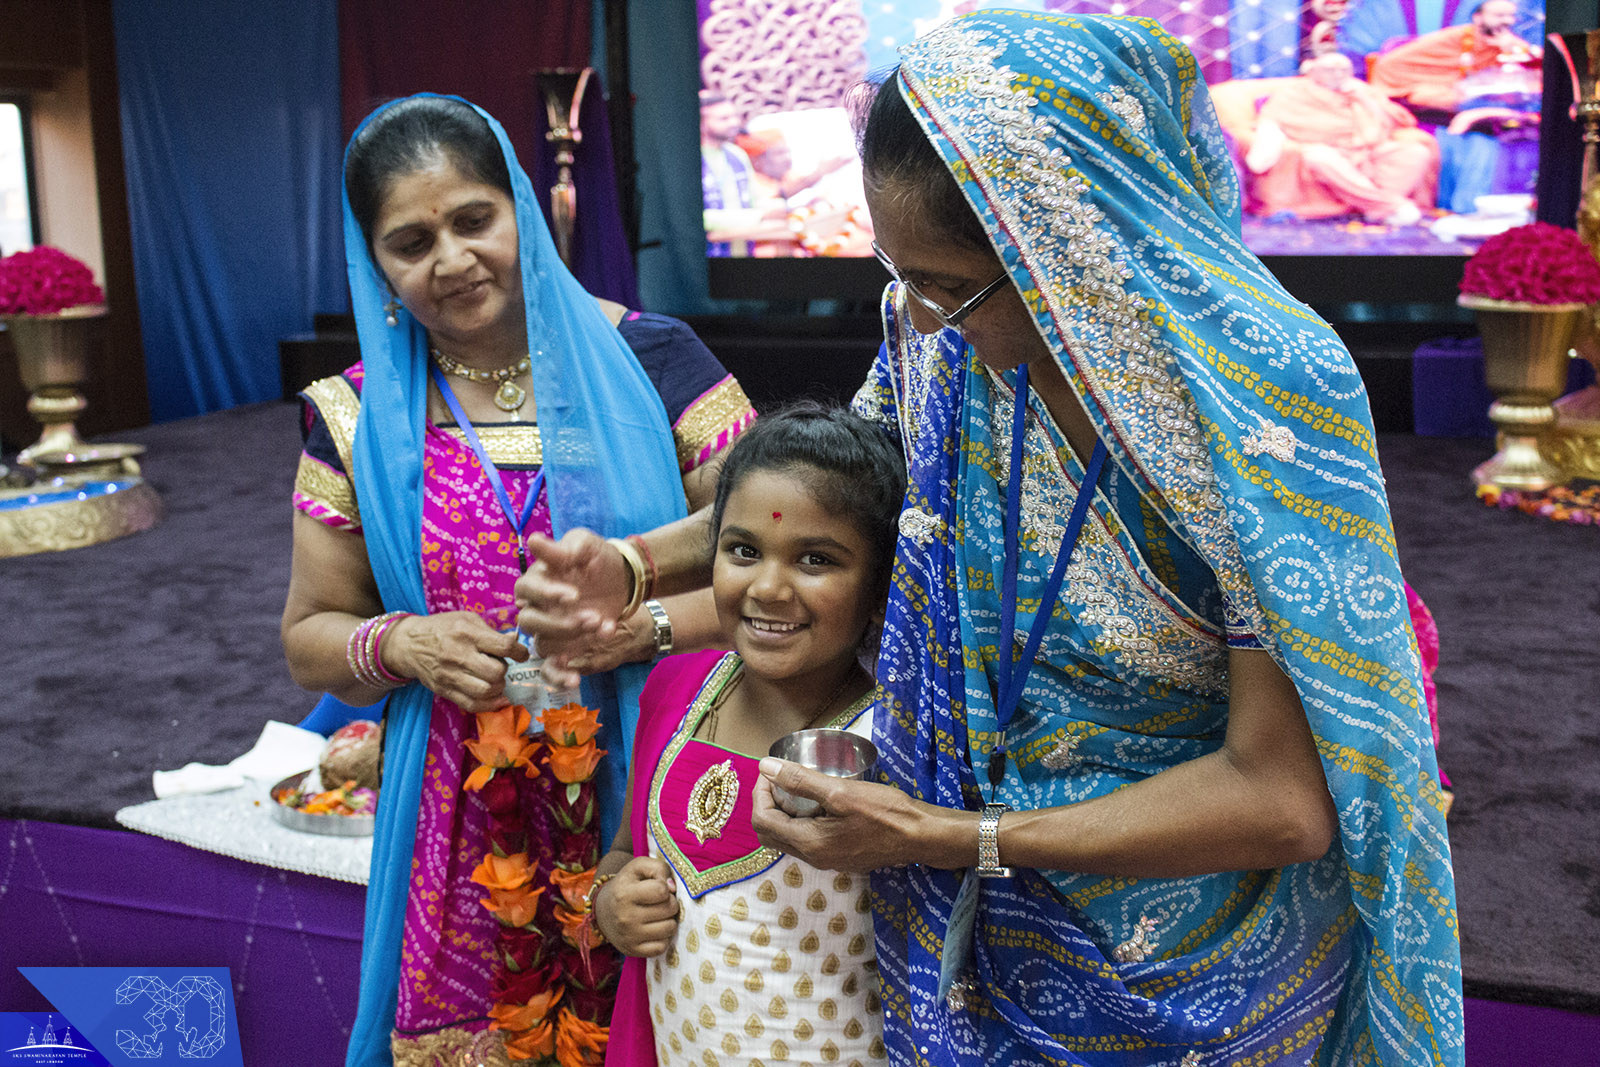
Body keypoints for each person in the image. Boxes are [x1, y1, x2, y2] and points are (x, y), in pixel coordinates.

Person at [516, 11, 1462, 1067]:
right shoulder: (945, 344)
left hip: (1200, 976)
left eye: (947, 286)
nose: (917, 321)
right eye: (898, 276)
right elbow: (844, 484)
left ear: (1069, 246)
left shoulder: (1257, 397)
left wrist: (952, 840)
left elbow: (1281, 802)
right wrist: (638, 561)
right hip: (977, 948)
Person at [280, 94, 755, 1066]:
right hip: (461, 805)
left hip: (659, 775)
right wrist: (401, 641)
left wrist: (643, 622)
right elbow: (311, 633)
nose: (450, 260)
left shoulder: (654, 359)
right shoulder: (356, 415)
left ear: (521, 210)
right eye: (410, 241)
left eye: (472, 221)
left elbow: (776, 560)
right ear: (374, 259)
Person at [594, 405, 904, 1066]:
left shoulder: (897, 740)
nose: (768, 587)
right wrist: (612, 903)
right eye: (743, 550)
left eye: (815, 559)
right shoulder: (673, 692)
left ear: (879, 587)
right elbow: (621, 854)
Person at [1246, 52, 1437, 225]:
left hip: (1369, 148)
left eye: (1344, 70)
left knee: (1415, 152)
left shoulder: (1361, 90)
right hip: (1327, 149)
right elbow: (1276, 119)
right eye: (1330, 70)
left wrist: (1364, 100)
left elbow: (1396, 120)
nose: (1338, 75)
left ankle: (1375, 208)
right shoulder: (1294, 92)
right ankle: (1390, 206)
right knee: (1319, 158)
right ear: (1313, 71)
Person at [1367, 0, 1541, 116]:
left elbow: (1537, 61)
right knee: (1433, 97)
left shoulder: (1507, 39)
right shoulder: (1456, 36)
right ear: (1478, 18)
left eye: (1510, 16)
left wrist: (1513, 48)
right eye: (1499, 16)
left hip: (1477, 89)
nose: (1507, 21)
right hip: (1428, 84)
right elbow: (1397, 61)